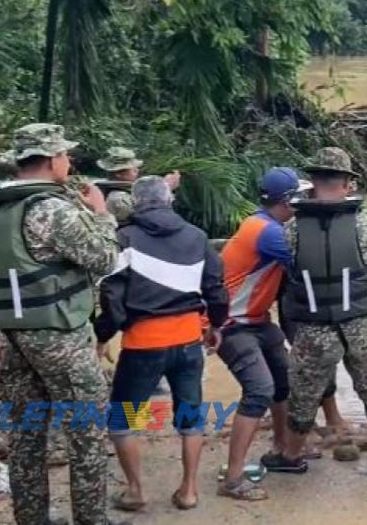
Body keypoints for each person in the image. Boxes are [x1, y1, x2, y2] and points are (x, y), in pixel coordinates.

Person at [0, 124, 120, 525]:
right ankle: (91, 520)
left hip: (14, 334)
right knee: (86, 432)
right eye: (66, 156)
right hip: (58, 336)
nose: (69, 162)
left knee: (26, 434)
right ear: (52, 160)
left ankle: (31, 519)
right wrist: (102, 214)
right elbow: (104, 259)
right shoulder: (51, 209)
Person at [96, 176, 227, 512]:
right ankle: (189, 490)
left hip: (143, 345)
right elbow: (215, 288)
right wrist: (215, 324)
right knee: (190, 418)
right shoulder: (197, 237)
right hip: (188, 343)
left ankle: (136, 491)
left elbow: (113, 299)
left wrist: (101, 336)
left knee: (123, 421)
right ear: (169, 200)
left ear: (136, 203)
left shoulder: (124, 238)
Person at [277, 147, 367, 478]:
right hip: (362, 322)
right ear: (347, 184)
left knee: (304, 394)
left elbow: (287, 272)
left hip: (315, 328)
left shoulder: (292, 230)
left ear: (313, 183)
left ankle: (291, 456)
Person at [215, 167, 311, 501]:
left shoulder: (265, 225)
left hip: (255, 321)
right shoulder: (268, 232)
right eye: (301, 197)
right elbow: (308, 264)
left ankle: (283, 449)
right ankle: (233, 478)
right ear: (288, 201)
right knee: (260, 390)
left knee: (284, 382)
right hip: (231, 325)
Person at [96, 147, 181, 224]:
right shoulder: (118, 199)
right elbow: (151, 218)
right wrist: (165, 189)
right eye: (133, 169)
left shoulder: (125, 190)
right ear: (119, 174)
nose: (137, 170)